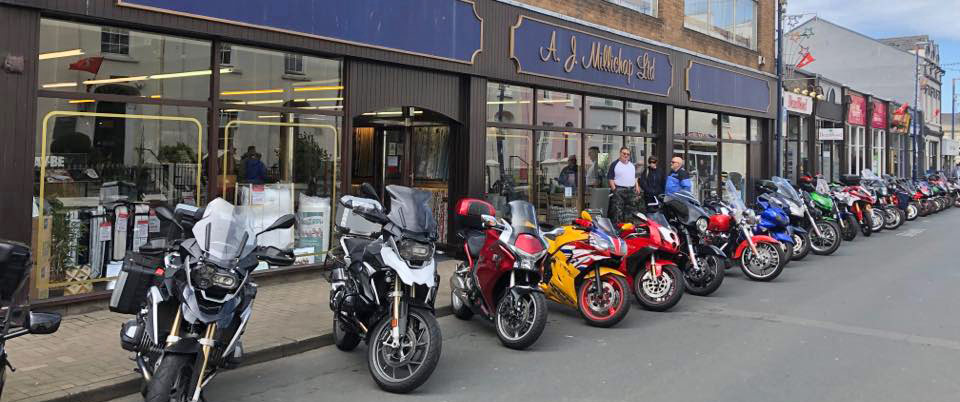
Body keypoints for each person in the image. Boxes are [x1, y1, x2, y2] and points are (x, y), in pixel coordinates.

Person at [606, 147, 641, 222]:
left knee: (631, 212)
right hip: (619, 190)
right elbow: (610, 178)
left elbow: (635, 177)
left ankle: (629, 229)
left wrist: (637, 186)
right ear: (620, 153)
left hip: (631, 191)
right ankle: (618, 230)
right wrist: (615, 190)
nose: (626, 155)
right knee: (617, 212)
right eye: (624, 153)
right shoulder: (614, 164)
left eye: (628, 154)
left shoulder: (631, 165)